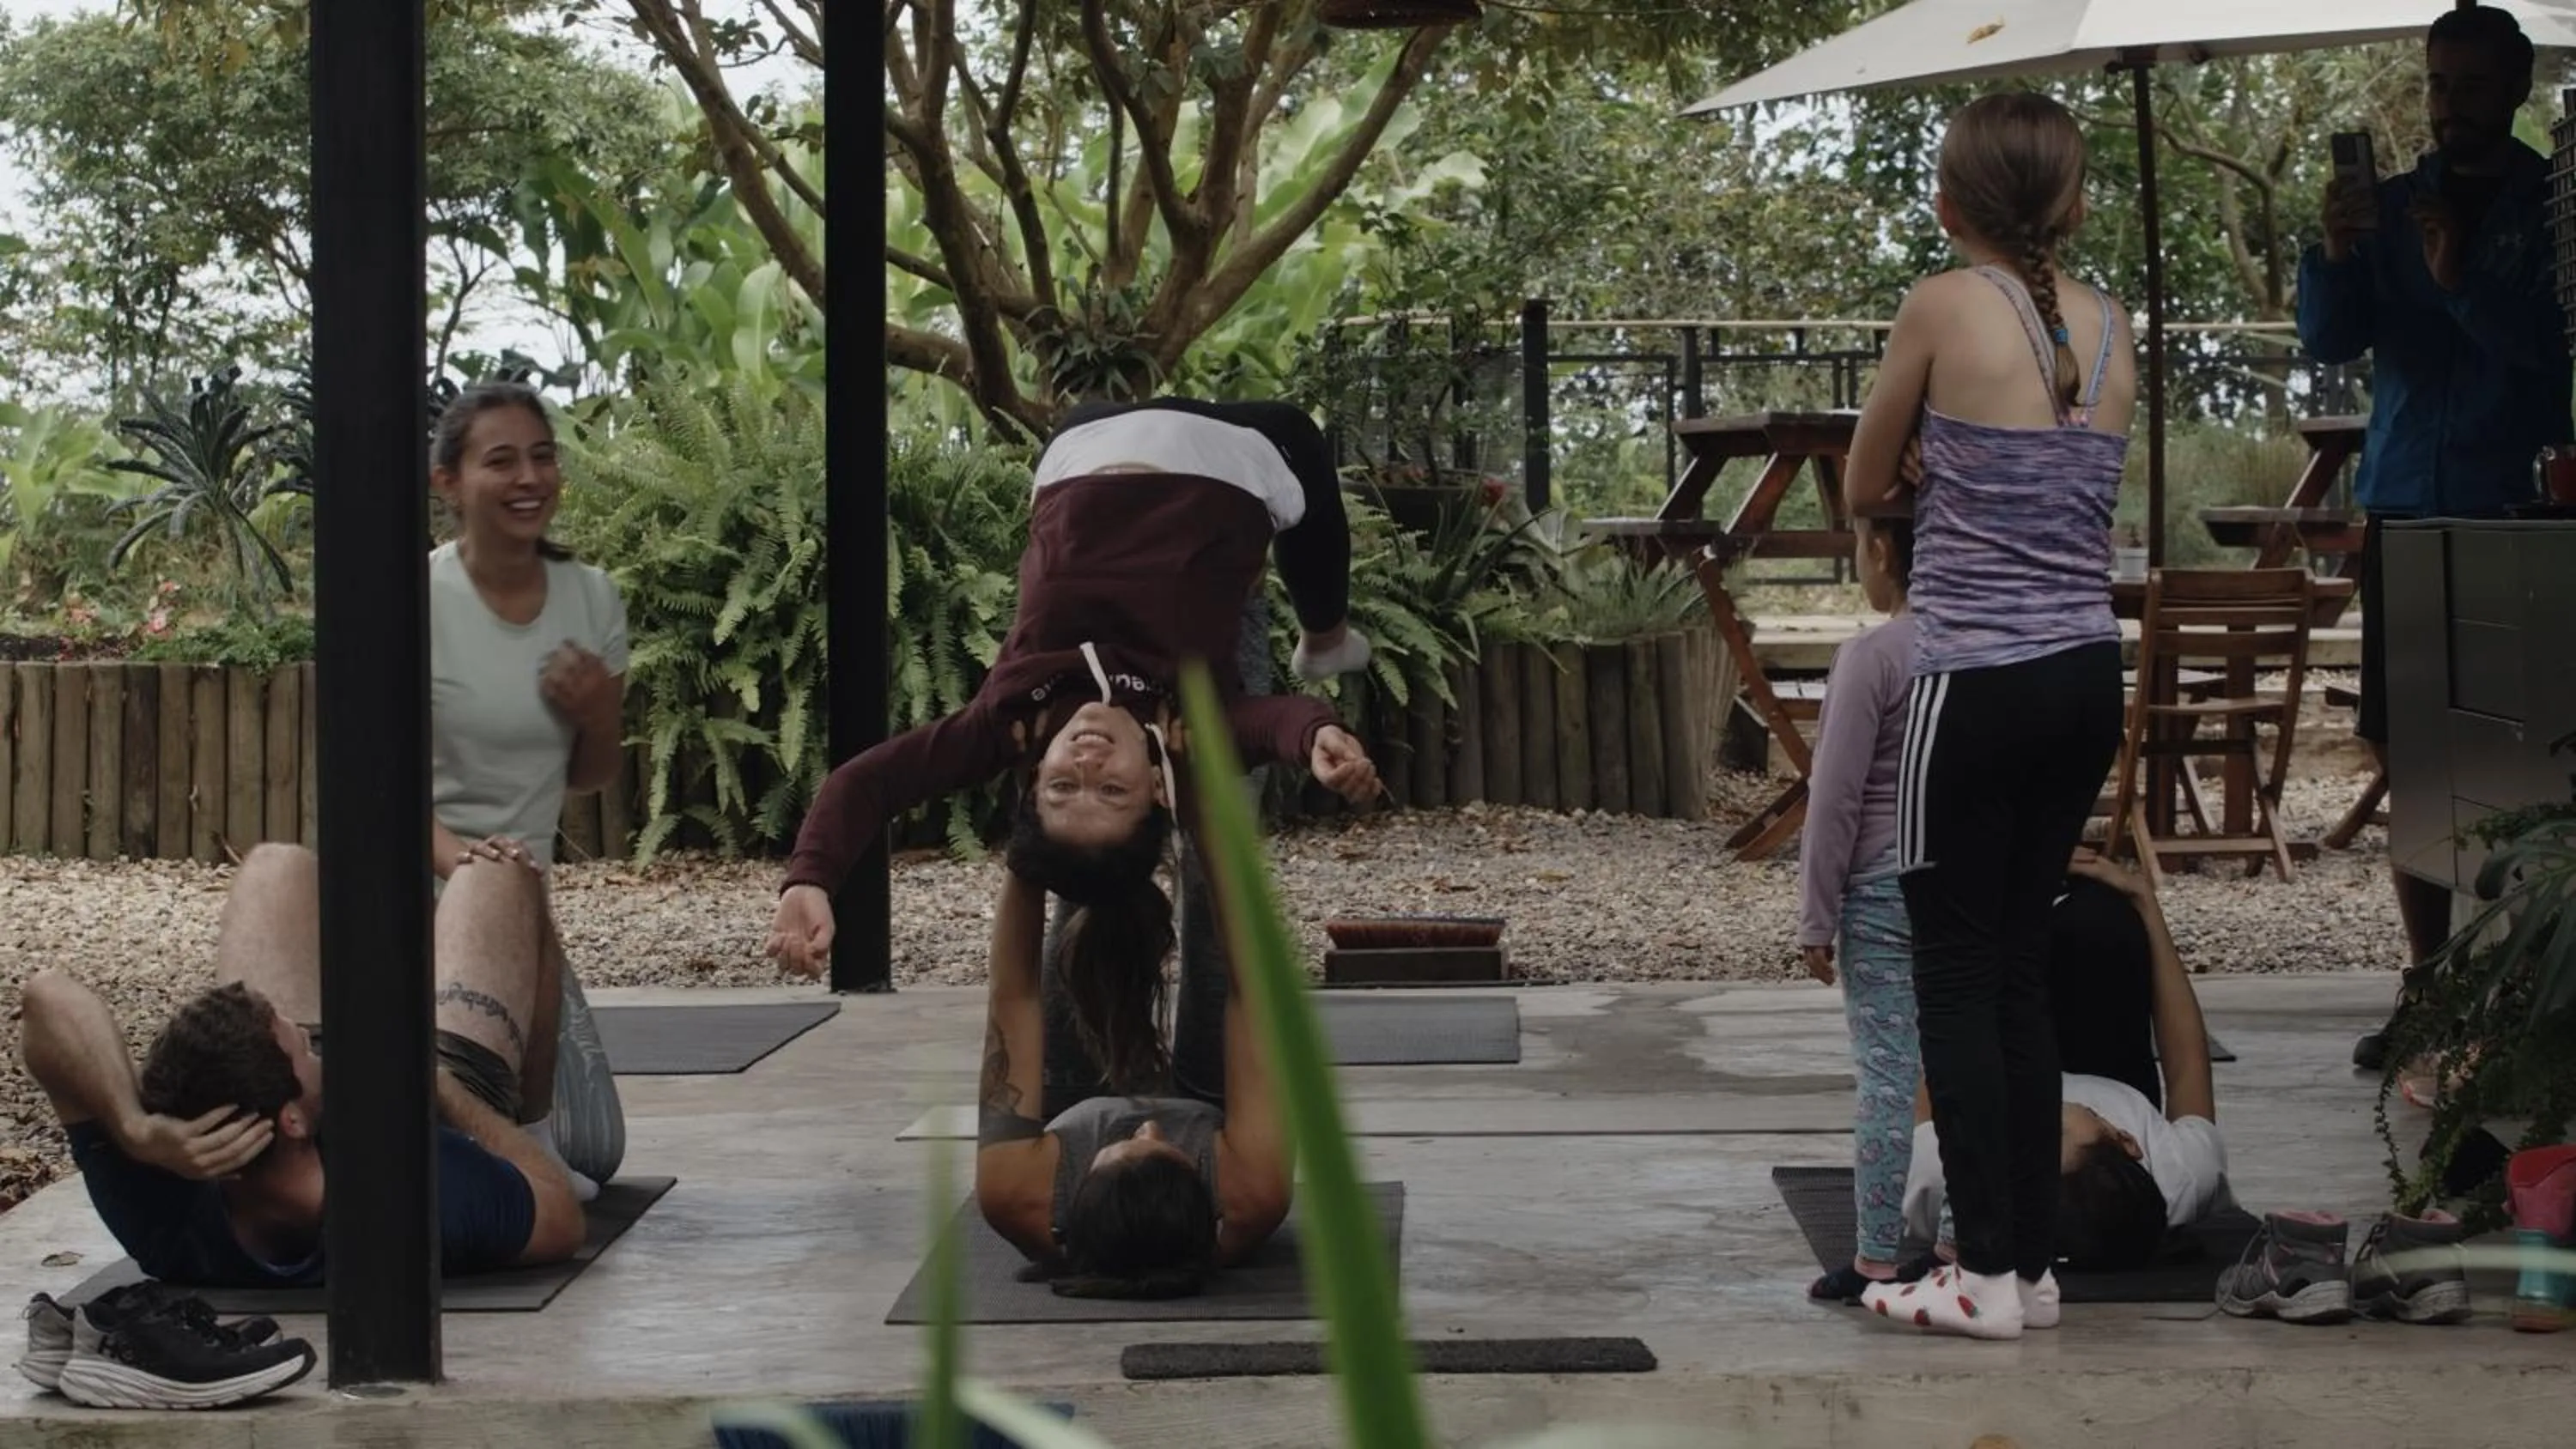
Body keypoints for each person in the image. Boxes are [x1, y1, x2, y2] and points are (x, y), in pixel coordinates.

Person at [767, 399, 1382, 1067]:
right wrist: (1319, 735)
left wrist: (810, 880)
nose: (1087, 758)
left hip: (1083, 443)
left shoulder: (1003, 724)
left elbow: (870, 781)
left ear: (1033, 780)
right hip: (1240, 450)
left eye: (1064, 784)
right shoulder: (1189, 731)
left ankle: (1082, 1063)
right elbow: (1271, 723)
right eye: (1111, 790)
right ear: (1156, 787)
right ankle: (1325, 641)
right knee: (1309, 494)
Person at [1841, 90, 2136, 1338]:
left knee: (1951, 978)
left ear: (1950, 200)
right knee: (2018, 967)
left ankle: (1984, 1275)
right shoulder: (2115, 325)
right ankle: (2026, 1274)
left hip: (1974, 683)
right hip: (2086, 678)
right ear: (2069, 202)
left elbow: (1864, 480)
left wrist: (1913, 473)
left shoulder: (1940, 303)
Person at [2297, 5, 2573, 1070]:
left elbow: (2553, 359)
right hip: (2408, 498)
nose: (2449, 104)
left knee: (2528, 751)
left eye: (2469, 85)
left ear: (2516, 90)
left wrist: (2463, 290)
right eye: (2436, 84)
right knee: (2408, 737)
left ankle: (2527, 984)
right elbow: (2330, 339)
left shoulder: (2554, 208)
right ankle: (2430, 983)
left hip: (2521, 502)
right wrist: (2332, 253)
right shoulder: (2394, 204)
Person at [16, 846, 588, 1294]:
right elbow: (562, 1217)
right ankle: (538, 1127)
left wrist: (135, 1128)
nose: (319, 1048)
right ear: (290, 1121)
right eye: (308, 1051)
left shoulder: (165, 1193)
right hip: (437, 1083)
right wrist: (430, 1086)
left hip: (269, 1110)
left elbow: (46, 996)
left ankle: (311, 1034)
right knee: (497, 870)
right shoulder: (418, 1190)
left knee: (274, 866)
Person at [428, 379, 629, 1197]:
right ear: (449, 482)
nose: (528, 479)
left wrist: (596, 713)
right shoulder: (415, 600)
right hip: (430, 874)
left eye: (542, 458)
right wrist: (469, 871)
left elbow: (592, 773)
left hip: (522, 895)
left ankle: (520, 1135)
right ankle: (506, 1155)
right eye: (500, 461)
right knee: (511, 878)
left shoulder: (593, 597)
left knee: (598, 1150)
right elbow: (374, 787)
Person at [1893, 852, 2229, 1297]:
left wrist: (1969, 939)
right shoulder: (2181, 1177)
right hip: (2107, 1054)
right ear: (2124, 1139)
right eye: (2047, 1130)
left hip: (1993, 1066)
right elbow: (2186, 1062)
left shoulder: (1948, 1187)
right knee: (2102, 918)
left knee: (2002, 925)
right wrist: (2146, 902)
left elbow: (1932, 1072)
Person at [973, 854, 1291, 1296]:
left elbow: (1014, 996)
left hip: (1070, 1106)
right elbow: (1251, 992)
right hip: (1219, 1112)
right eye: (1168, 1147)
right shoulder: (1252, 1194)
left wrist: (1028, 854)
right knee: (1213, 915)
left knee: (1085, 865)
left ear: (1077, 1193)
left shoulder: (1013, 1193)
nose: (1150, 1126)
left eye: (1127, 1143)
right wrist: (1212, 827)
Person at [1795, 512, 1923, 1303]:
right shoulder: (1981, 652)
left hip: (1880, 888)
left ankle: (1877, 1256)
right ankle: (1955, 1243)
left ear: (1881, 549)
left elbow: (1834, 798)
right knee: (1963, 1065)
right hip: (1966, 892)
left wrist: (1816, 916)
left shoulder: (1872, 657)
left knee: (1887, 1074)